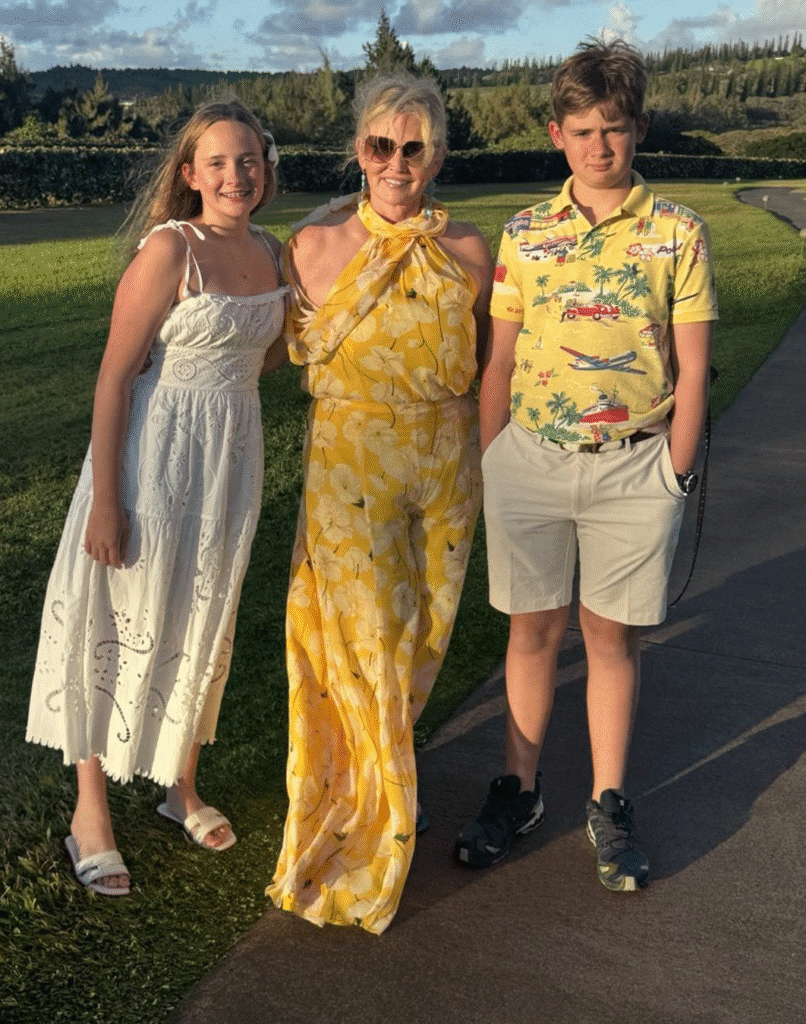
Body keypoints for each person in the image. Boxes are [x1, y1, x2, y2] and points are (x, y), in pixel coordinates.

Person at [455, 39, 718, 891]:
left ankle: (608, 800)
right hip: (529, 460)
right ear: (555, 134)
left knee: (610, 638)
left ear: (637, 128)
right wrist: (495, 458)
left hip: (634, 469)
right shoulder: (525, 234)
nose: (598, 145)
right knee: (530, 631)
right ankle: (519, 790)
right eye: (581, 130)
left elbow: (692, 365)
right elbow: (498, 360)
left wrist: (675, 473)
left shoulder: (676, 232)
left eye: (613, 128)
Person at [26, 100, 289, 896]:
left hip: (229, 461)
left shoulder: (274, 251)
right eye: (217, 163)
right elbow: (112, 376)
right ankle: (91, 812)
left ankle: (180, 784)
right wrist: (108, 500)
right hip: (151, 459)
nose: (235, 175)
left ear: (264, 169)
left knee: (201, 613)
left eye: (247, 161)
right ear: (190, 174)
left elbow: (263, 359)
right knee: (117, 613)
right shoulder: (171, 249)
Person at [267, 73, 493, 934]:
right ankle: (378, 812)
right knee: (363, 641)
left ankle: (382, 768)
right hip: (351, 465)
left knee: (426, 635)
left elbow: (489, 358)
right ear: (357, 150)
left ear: (437, 154)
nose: (396, 163)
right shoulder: (314, 246)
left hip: (443, 468)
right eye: (380, 146)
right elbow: (255, 338)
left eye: (415, 147)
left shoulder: (470, 248)